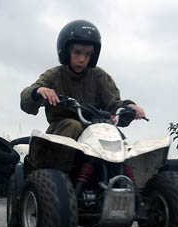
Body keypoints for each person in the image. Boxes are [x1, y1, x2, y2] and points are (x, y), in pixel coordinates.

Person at [20, 19, 146, 173]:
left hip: (94, 128)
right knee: (73, 125)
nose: (82, 59)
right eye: (77, 52)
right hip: (60, 131)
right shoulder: (54, 75)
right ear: (66, 51)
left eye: (87, 54)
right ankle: (60, 176)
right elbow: (26, 101)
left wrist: (129, 108)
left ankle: (121, 179)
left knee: (112, 132)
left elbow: (113, 104)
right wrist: (39, 92)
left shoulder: (99, 76)